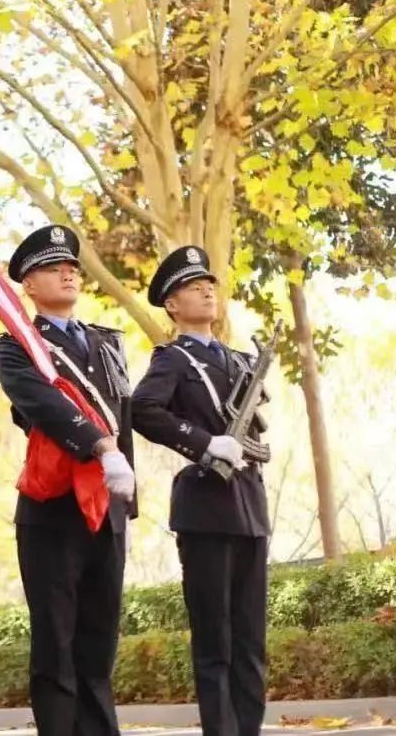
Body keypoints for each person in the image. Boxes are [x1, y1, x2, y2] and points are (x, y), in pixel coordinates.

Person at [0, 224, 137, 735]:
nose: (68, 272)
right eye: (55, 267)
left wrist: (129, 494)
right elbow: (43, 406)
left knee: (99, 643)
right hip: (54, 507)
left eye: (72, 266)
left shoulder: (106, 342)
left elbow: (122, 414)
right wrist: (100, 447)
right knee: (56, 643)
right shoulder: (18, 345)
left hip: (108, 506)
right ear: (28, 285)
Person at [131, 246, 270, 736]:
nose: (207, 291)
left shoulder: (239, 359)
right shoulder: (172, 359)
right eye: (194, 287)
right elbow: (143, 410)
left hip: (249, 503)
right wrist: (206, 442)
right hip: (205, 506)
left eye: (210, 284)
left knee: (252, 639)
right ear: (172, 304)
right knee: (216, 640)